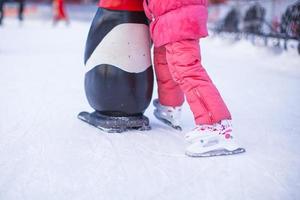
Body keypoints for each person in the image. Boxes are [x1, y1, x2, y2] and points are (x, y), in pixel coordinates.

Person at [143, 0, 245, 157]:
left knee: (186, 68)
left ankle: (217, 126)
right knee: (165, 62)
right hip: (166, 14)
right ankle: (170, 107)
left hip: (178, 13)